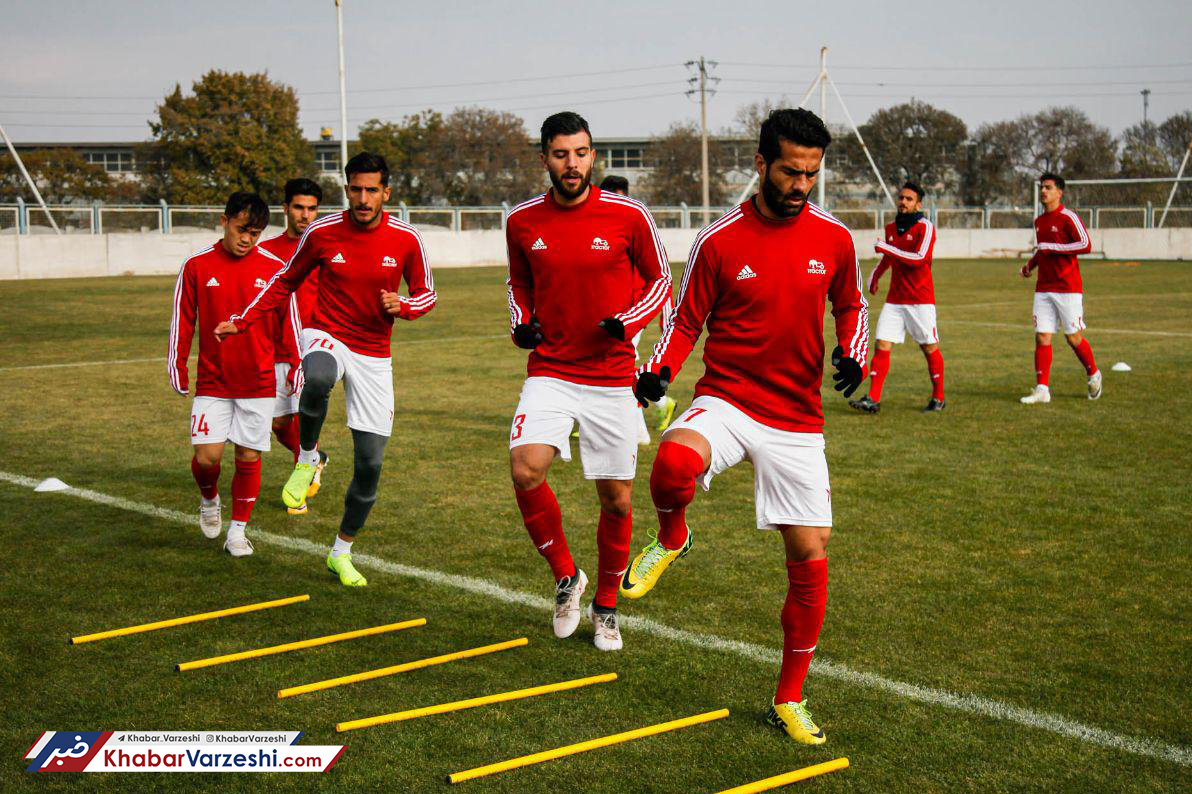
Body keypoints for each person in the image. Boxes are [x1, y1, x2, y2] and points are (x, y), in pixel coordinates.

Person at [622, 108, 868, 743]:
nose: (801, 185)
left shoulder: (834, 238)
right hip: (729, 399)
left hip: (797, 418)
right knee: (674, 462)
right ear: (761, 164)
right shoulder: (719, 239)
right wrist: (660, 372)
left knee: (809, 558)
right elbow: (683, 321)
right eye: (790, 171)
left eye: (812, 173)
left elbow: (851, 302)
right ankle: (673, 537)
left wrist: (852, 351)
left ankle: (789, 698)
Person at [215, 153, 437, 586]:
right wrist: (243, 319)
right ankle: (308, 456)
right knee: (316, 377)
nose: (363, 197)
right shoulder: (321, 232)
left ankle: (341, 551)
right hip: (326, 333)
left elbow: (428, 294)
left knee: (370, 465)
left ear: (386, 193)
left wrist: (405, 306)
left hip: (375, 354)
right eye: (355, 188)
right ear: (347, 189)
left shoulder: (406, 239)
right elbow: (284, 282)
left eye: (372, 189)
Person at [506, 112, 671, 651]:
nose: (571, 164)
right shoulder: (523, 222)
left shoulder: (629, 215)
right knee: (526, 470)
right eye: (560, 154)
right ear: (545, 159)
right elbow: (519, 285)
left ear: (592, 156)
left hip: (611, 374)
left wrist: (628, 321)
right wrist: (521, 324)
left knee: (617, 500)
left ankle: (605, 607)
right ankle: (564, 576)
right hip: (551, 368)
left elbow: (659, 279)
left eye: (580, 153)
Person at [168, 191, 302, 557]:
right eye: (242, 229)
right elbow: (183, 319)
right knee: (208, 457)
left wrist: (296, 364)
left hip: (259, 382)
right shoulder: (197, 265)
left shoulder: (275, 268)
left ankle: (238, 532)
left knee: (248, 456)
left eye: (255, 233)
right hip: (213, 380)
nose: (247, 239)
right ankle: (209, 499)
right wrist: (178, 364)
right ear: (224, 221)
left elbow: (289, 321)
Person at [259, 178, 330, 512]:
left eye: (312, 208)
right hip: (273, 348)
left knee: (306, 416)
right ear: (286, 208)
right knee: (278, 424)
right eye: (299, 207)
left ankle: (298, 494)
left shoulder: (324, 248)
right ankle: (315, 458)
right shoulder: (267, 251)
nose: (305, 215)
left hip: (310, 348)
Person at [850, 180, 944, 413]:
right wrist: (875, 275)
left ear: (918, 204)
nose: (903, 202)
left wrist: (886, 249)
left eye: (909, 199)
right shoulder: (891, 228)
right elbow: (889, 258)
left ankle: (938, 398)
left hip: (920, 300)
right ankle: (873, 398)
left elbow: (920, 259)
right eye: (901, 197)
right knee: (881, 343)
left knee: (929, 347)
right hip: (895, 300)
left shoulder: (925, 227)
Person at [598, 174, 678, 440]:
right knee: (609, 365)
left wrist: (665, 315)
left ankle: (637, 432)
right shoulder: (599, 229)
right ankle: (662, 405)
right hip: (606, 312)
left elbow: (660, 276)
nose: (615, 204)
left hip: (633, 313)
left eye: (620, 198)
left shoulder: (640, 227)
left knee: (619, 367)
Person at [1020, 172, 1101, 403]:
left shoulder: (1068, 217)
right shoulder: (1039, 221)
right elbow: (1042, 250)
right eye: (1041, 188)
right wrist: (1030, 265)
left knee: (1073, 337)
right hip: (1044, 288)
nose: (1043, 191)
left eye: (1048, 187)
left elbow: (1085, 244)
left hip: (1068, 288)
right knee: (1042, 336)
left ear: (1059, 192)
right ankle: (1042, 389)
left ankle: (1094, 374)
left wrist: (1053, 248)